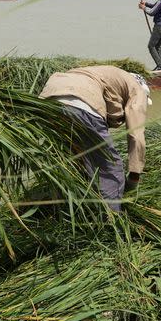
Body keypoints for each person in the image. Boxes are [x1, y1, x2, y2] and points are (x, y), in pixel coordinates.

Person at [39, 65, 151, 211]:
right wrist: (134, 176)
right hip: (81, 102)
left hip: (45, 103)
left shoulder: (106, 74)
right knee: (110, 168)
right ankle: (111, 220)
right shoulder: (137, 88)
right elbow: (136, 134)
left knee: (70, 163)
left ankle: (61, 210)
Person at [139, 0, 161, 71]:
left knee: (151, 46)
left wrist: (143, 8)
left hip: (159, 27)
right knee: (157, 46)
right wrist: (146, 3)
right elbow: (154, 6)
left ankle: (160, 65)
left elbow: (151, 12)